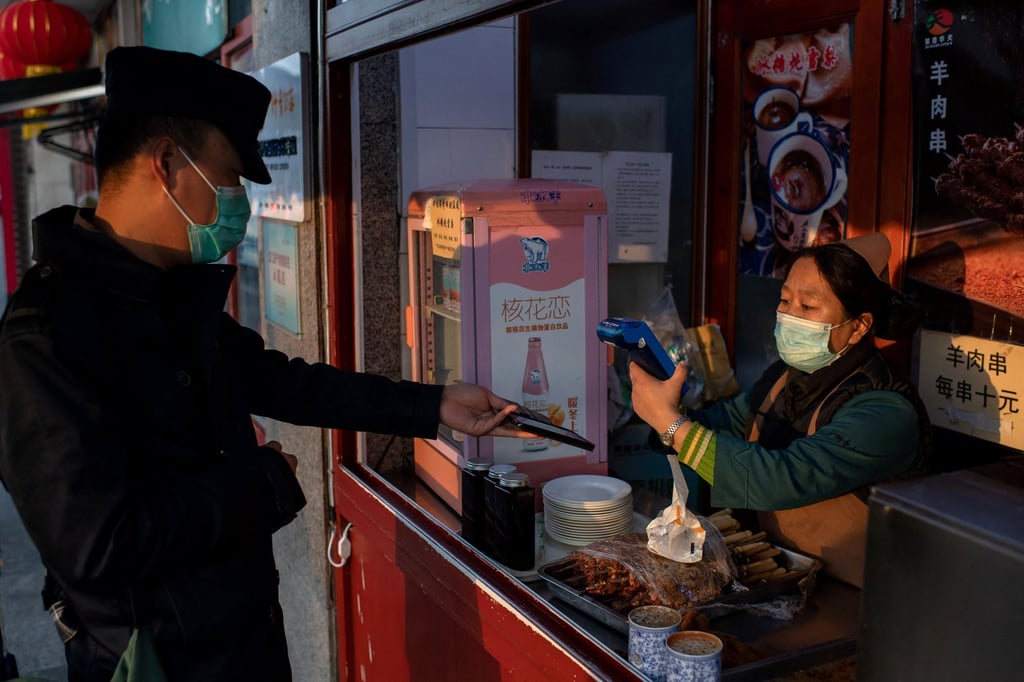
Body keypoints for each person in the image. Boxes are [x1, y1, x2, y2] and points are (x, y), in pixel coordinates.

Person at [0, 47, 526, 681]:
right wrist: (261, 482)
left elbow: (281, 381)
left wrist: (431, 404)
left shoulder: (165, 292)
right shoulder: (46, 335)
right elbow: (96, 544)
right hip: (158, 665)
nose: (237, 202)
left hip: (243, 644)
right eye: (229, 177)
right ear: (168, 163)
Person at [630, 233, 931, 587]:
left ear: (858, 327)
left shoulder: (885, 411)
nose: (788, 315)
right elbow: (720, 426)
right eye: (785, 299)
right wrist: (668, 406)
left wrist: (671, 424)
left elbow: (786, 475)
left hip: (858, 598)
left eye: (807, 306)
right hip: (785, 574)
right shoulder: (782, 381)